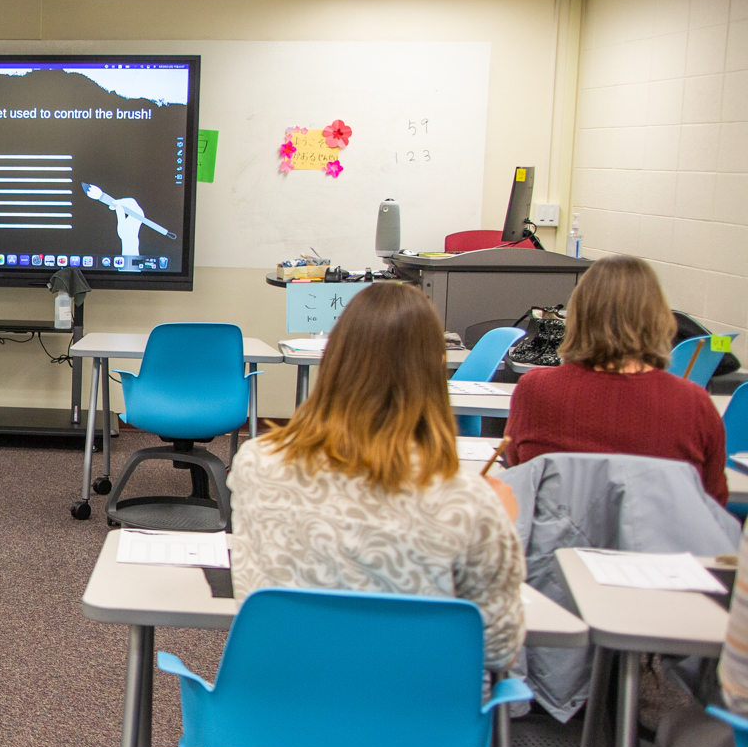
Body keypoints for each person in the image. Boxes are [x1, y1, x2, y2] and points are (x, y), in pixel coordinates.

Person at [230, 282, 527, 672]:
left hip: (277, 710)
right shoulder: (467, 499)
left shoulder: (257, 463)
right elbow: (498, 648)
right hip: (418, 722)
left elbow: (249, 603)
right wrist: (501, 527)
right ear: (437, 370)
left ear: (334, 360)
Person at [504, 254, 728, 506]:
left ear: (578, 316)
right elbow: (713, 501)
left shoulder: (536, 389)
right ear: (660, 319)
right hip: (658, 544)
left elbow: (517, 467)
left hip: (556, 541)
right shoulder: (694, 402)